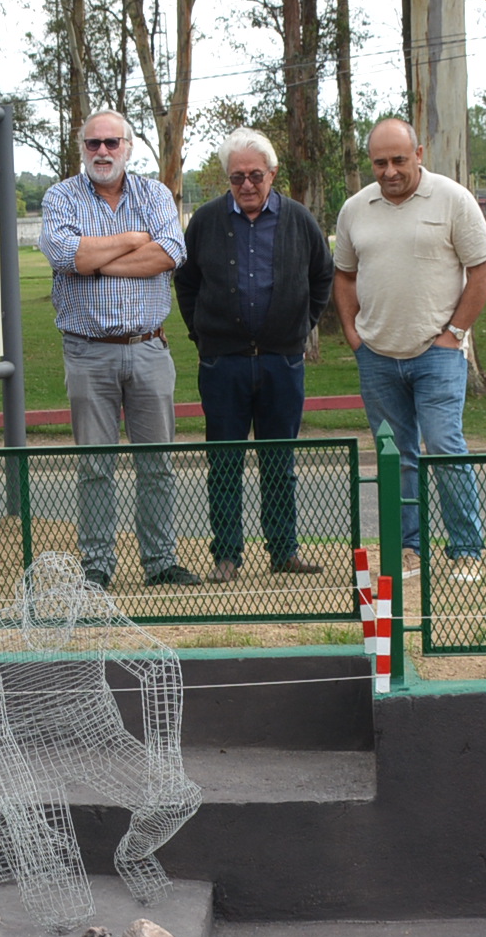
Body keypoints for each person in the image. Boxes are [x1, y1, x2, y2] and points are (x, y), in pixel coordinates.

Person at [333, 117, 486, 583]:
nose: (389, 172)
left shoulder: (452, 199)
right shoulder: (355, 209)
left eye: (399, 160)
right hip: (377, 355)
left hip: (437, 352)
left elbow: (483, 269)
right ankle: (409, 549)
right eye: (380, 162)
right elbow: (343, 274)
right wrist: (353, 335)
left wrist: (455, 333)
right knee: (397, 456)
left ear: (419, 154)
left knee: (444, 446)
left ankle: (466, 550)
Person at [38, 109, 195, 587]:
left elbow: (171, 253)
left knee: (158, 464)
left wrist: (96, 261)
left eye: (111, 142)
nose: (102, 151)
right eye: (93, 144)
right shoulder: (60, 196)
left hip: (149, 348)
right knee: (94, 466)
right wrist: (131, 240)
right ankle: (97, 566)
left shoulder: (156, 194)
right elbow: (67, 255)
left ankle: (160, 561)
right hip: (88, 351)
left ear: (128, 146)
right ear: (81, 148)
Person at [176, 128, 336, 583]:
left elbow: (322, 276)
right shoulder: (206, 222)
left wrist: (300, 326)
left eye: (255, 176)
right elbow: (186, 285)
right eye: (237, 177)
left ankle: (284, 550)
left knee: (279, 461)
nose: (247, 185)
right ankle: (227, 555)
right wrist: (201, 333)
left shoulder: (299, 220)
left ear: (272, 174)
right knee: (224, 462)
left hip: (281, 361)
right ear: (227, 179)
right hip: (222, 362)